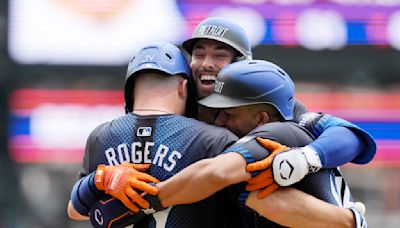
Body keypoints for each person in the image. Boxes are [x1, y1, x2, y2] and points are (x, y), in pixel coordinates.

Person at [105, 59, 367, 227]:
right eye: (199, 52)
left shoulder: (278, 132)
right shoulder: (265, 126)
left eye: (229, 113)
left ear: (261, 118)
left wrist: (143, 201)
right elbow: (261, 200)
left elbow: (216, 173)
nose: (219, 121)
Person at [181, 17, 375, 188]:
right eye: (199, 54)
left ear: (242, 63)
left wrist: (304, 159)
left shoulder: (267, 100)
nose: (206, 63)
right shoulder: (176, 101)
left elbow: (351, 137)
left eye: (220, 55)